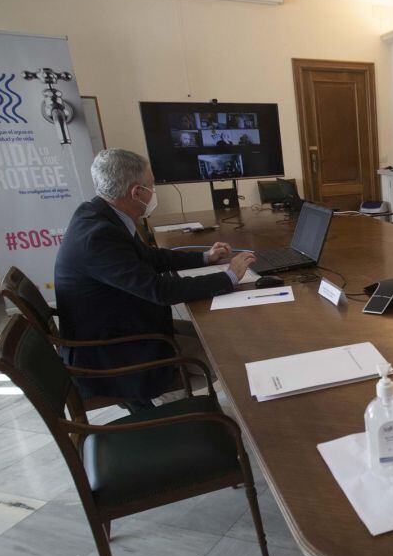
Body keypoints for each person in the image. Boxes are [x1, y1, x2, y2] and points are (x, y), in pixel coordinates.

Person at [55, 148, 256, 405]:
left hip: (122, 327)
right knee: (226, 352)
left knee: (216, 334)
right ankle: (176, 412)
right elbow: (160, 291)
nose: (154, 192)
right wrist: (229, 277)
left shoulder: (97, 214)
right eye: (151, 185)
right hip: (113, 353)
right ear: (136, 192)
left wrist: (205, 258)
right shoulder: (98, 236)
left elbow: (150, 258)